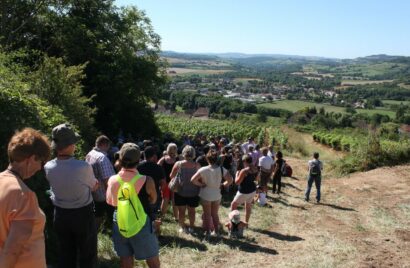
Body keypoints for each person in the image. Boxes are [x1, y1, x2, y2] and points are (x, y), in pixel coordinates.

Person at [44, 123, 98, 268]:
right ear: (68, 145)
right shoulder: (83, 166)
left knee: (66, 253)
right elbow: (94, 186)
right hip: (82, 214)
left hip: (60, 215)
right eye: (73, 142)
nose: (75, 145)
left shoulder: (48, 167)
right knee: (87, 253)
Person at [0, 128, 50, 268]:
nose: (40, 168)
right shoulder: (24, 195)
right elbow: (12, 251)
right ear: (32, 158)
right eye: (41, 161)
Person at [106, 143, 160, 268]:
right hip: (141, 222)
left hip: (120, 221)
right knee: (152, 259)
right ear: (139, 160)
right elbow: (153, 200)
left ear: (120, 159)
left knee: (125, 259)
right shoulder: (147, 180)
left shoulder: (112, 180)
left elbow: (111, 202)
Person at [191, 150, 232, 237]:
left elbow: (193, 180)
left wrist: (201, 184)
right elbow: (230, 180)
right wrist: (223, 185)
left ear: (207, 159)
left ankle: (208, 232)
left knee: (207, 214)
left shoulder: (203, 169)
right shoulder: (222, 169)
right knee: (215, 214)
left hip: (205, 194)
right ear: (217, 159)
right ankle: (216, 232)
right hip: (217, 194)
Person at [85, 135, 116, 231]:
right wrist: (114, 196)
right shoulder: (102, 158)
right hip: (104, 194)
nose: (108, 149)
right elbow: (108, 180)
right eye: (108, 146)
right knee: (111, 216)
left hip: (94, 192)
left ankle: (96, 234)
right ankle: (114, 234)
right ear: (104, 144)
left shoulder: (90, 154)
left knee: (98, 214)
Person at [169, 145, 200, 234]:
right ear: (193, 154)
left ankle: (182, 228)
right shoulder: (197, 165)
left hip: (180, 191)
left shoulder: (178, 164)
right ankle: (191, 227)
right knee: (192, 211)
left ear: (183, 153)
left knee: (181, 211)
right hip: (194, 192)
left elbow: (171, 176)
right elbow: (200, 178)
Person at [138, 146, 166, 234]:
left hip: (139, 194)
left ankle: (141, 231)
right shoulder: (158, 168)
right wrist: (161, 192)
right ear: (154, 156)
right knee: (153, 215)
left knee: (140, 213)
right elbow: (163, 183)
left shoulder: (138, 166)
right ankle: (154, 233)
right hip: (153, 194)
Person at [230, 155, 259, 224]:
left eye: (243, 162)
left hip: (244, 191)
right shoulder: (255, 168)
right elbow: (257, 179)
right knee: (248, 205)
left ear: (245, 161)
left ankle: (234, 223)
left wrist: (237, 174)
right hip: (252, 190)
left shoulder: (244, 170)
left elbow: (237, 182)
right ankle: (246, 223)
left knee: (233, 205)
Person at [158, 143, 179, 220]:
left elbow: (157, 166)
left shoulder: (164, 159)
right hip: (172, 182)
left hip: (168, 182)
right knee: (172, 200)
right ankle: (175, 217)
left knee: (167, 199)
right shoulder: (178, 159)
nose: (172, 153)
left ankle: (162, 217)